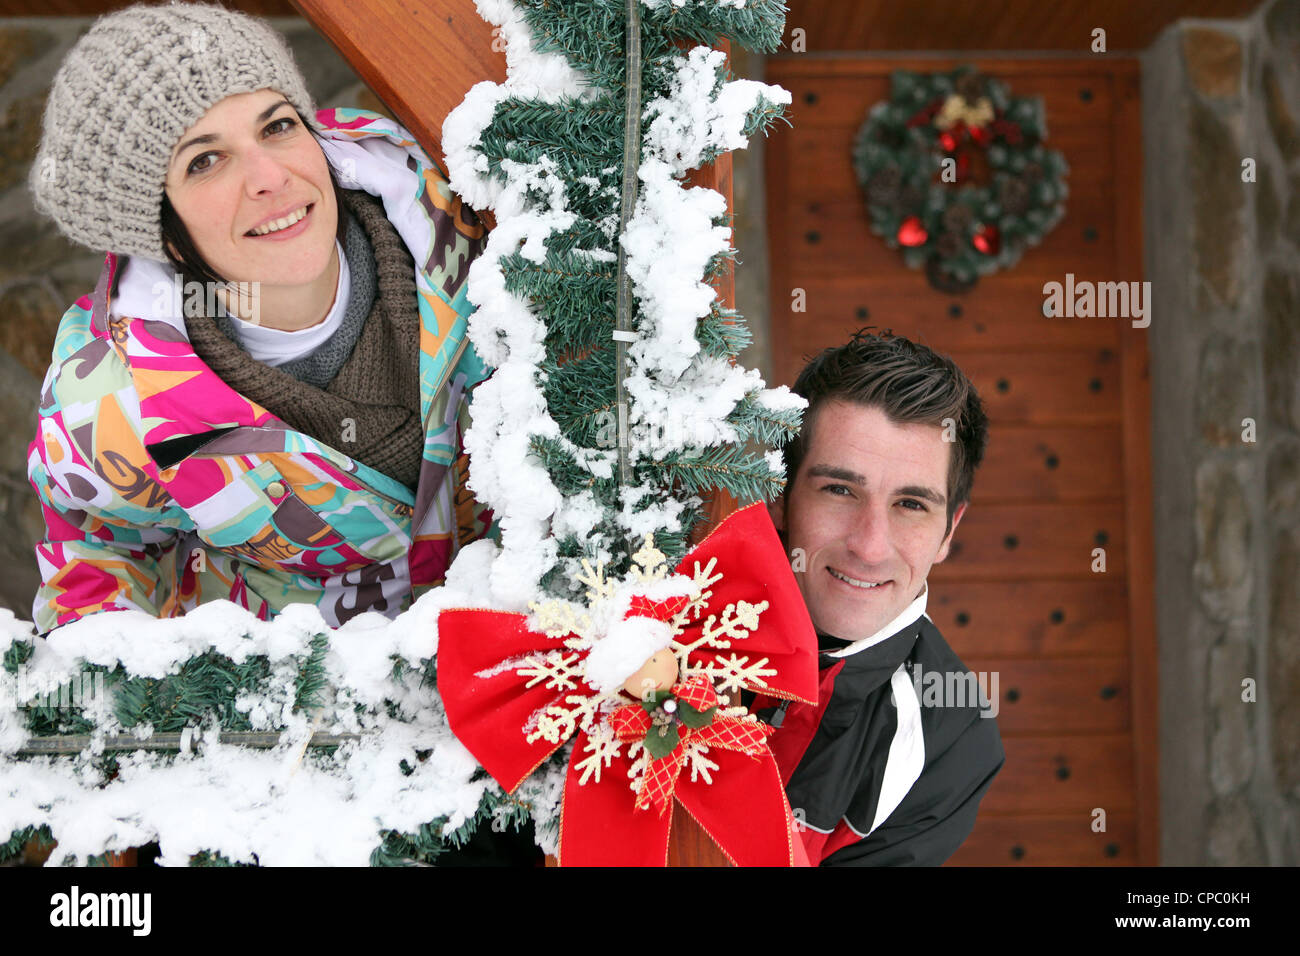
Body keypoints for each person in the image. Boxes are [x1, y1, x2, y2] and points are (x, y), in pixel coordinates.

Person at [25, 2, 495, 636]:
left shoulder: (474, 229)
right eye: (204, 160)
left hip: (538, 647)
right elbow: (100, 553)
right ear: (158, 231)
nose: (271, 177)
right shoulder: (110, 404)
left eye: (276, 126)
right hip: (312, 704)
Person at [752, 328, 1004, 865]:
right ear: (780, 493)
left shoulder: (950, 734)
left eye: (912, 504)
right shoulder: (668, 603)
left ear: (949, 530)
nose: (869, 547)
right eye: (840, 490)